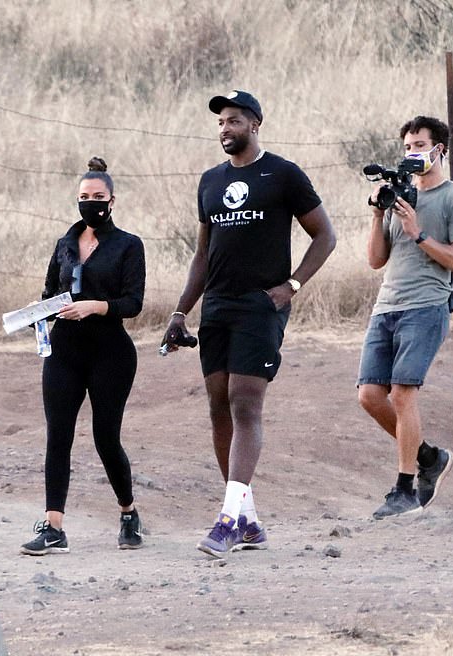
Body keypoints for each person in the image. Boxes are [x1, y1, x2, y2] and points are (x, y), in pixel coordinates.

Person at [161, 90, 336, 557]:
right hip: (216, 305)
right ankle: (249, 520)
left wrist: (292, 286)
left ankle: (227, 520)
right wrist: (181, 311)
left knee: (245, 402)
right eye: (221, 122)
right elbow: (202, 254)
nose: (225, 128)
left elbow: (325, 235)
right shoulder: (209, 181)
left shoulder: (282, 174)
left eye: (234, 120)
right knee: (219, 405)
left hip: (261, 305)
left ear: (255, 124)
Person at [21, 157, 146, 554]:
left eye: (97, 197)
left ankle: (128, 512)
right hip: (64, 349)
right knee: (58, 434)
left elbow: (133, 302)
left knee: (105, 437)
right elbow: (47, 294)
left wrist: (94, 305)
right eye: (83, 197)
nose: (90, 203)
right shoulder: (64, 244)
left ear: (112, 200)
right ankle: (53, 526)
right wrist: (35, 316)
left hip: (110, 352)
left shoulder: (128, 245)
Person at [357, 116, 453, 520]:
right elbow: (376, 261)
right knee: (370, 396)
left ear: (439, 149)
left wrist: (418, 233)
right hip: (386, 306)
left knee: (403, 393)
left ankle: (405, 489)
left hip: (426, 306)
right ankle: (429, 457)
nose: (413, 153)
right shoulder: (399, 196)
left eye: (420, 145)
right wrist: (379, 215)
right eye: (408, 146)